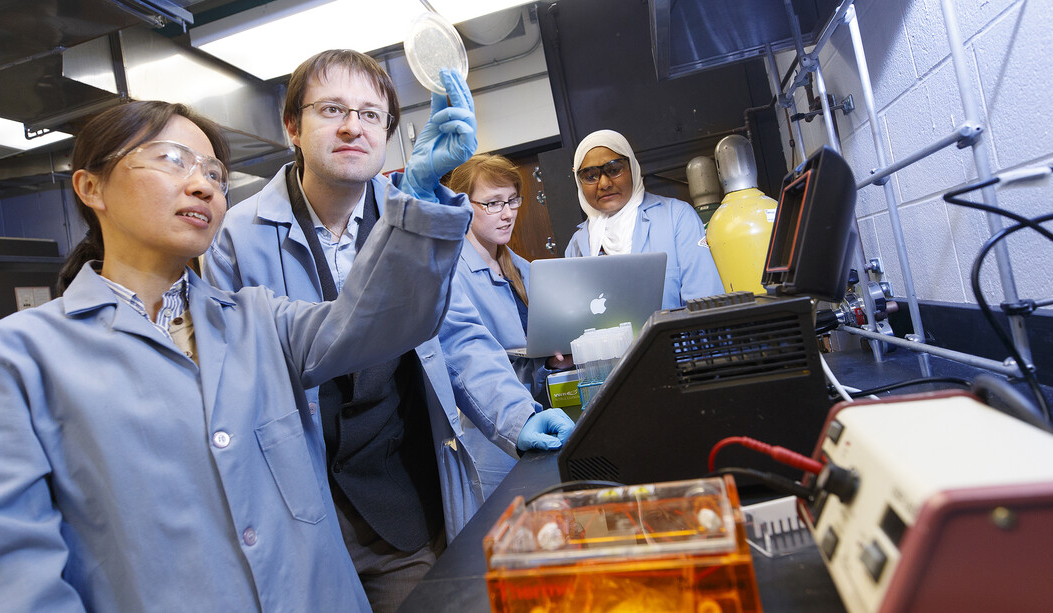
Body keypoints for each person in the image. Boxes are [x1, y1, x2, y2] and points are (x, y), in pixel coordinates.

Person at [0, 100, 472, 612]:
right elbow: (23, 575)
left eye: (214, 174)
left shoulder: (258, 320)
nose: (203, 186)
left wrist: (417, 204)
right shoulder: (21, 358)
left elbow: (381, 322)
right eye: (172, 159)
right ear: (92, 188)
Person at [202, 50, 573, 613]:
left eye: (372, 114)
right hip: (300, 501)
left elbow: (457, 338)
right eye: (332, 109)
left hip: (403, 499)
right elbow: (229, 382)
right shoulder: (236, 236)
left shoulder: (416, 215)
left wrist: (516, 416)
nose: (353, 126)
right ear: (292, 127)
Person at [446, 154, 573, 402]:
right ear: (462, 206)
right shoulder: (450, 277)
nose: (507, 215)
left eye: (512, 201)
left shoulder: (524, 270)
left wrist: (551, 362)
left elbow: (529, 361)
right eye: (493, 203)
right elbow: (472, 370)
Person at [565, 129, 724, 309]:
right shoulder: (577, 246)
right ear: (579, 183)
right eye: (590, 176)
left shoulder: (676, 218)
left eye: (614, 169)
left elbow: (707, 305)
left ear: (632, 168)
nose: (604, 183)